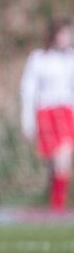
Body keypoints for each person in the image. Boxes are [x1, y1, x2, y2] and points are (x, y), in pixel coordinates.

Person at [20, 18, 74, 209]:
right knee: (53, 164)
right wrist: (27, 120)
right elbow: (28, 89)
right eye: (64, 33)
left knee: (64, 157)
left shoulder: (71, 58)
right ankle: (54, 204)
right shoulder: (39, 58)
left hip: (66, 111)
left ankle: (58, 206)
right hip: (46, 112)